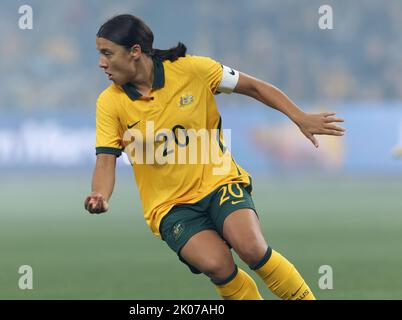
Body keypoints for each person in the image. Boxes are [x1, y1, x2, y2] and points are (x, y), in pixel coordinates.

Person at [84, 14, 345, 300]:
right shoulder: (109, 103)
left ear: (135, 51)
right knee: (218, 266)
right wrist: (100, 194)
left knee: (252, 248)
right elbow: (105, 160)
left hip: (219, 182)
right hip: (170, 206)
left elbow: (255, 87)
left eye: (107, 53)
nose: (101, 63)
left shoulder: (194, 70)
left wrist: (299, 117)